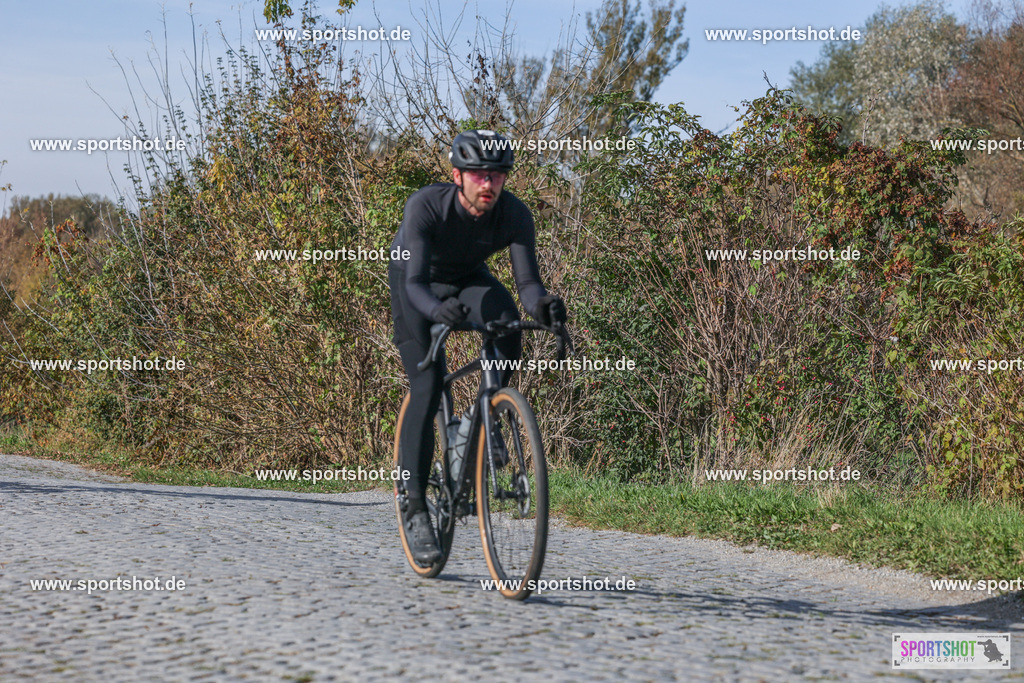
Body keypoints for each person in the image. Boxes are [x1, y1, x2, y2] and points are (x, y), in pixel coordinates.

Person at [388, 129, 566, 565]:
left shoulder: (515, 214)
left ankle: (481, 419)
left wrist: (542, 307)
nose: (489, 184)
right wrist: (436, 309)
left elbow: (526, 284)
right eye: (479, 175)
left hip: (467, 280)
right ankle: (414, 504)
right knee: (427, 387)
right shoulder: (426, 206)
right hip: (416, 286)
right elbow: (413, 284)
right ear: (457, 175)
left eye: (498, 176)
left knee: (507, 322)